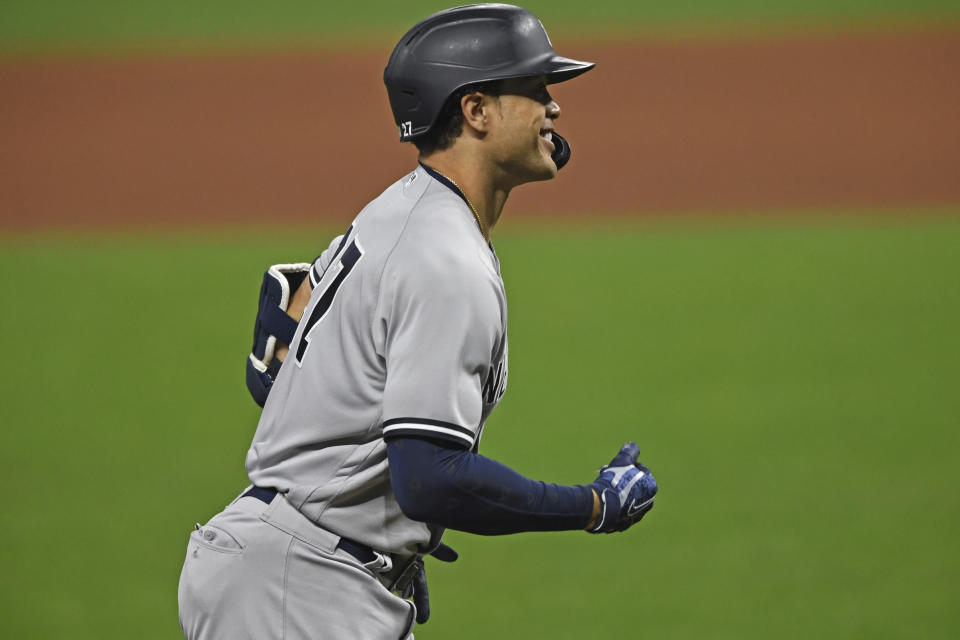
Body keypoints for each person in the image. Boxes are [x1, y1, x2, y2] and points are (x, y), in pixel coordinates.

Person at [177, 5, 658, 639]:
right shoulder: (445, 260)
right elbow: (430, 480)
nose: (554, 108)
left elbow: (282, 362)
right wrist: (593, 506)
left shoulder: (401, 208)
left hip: (296, 565)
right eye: (535, 90)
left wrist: (375, 527)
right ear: (476, 111)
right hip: (296, 590)